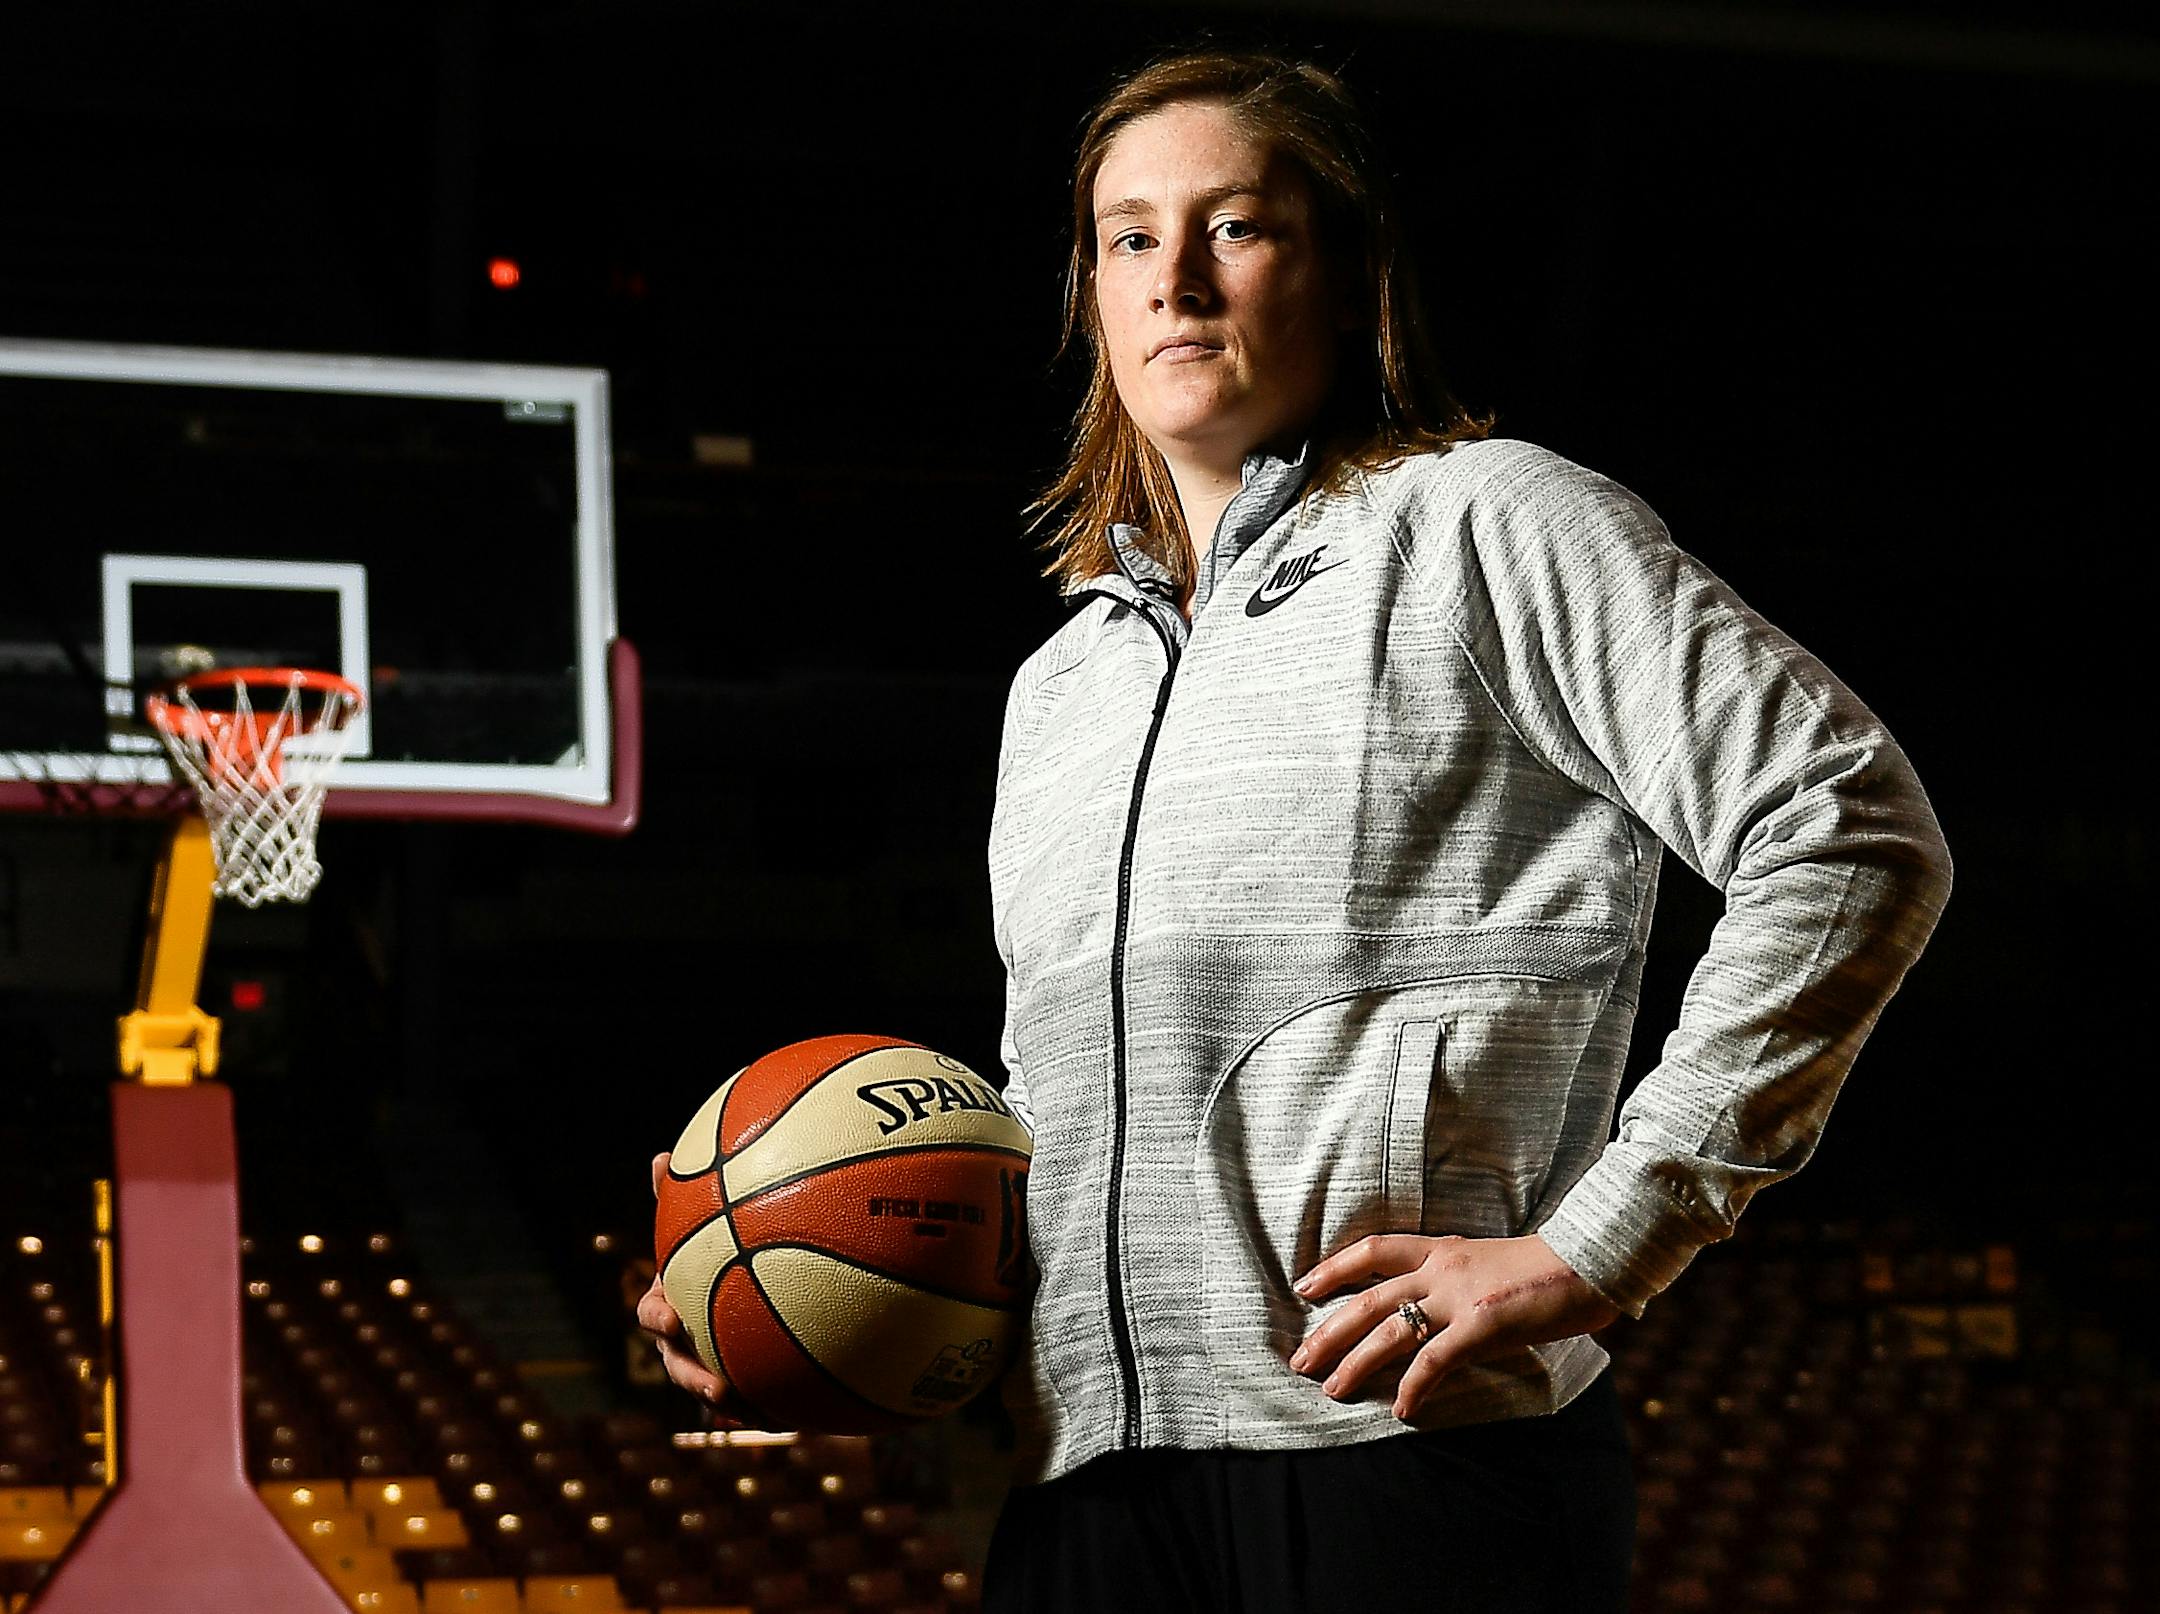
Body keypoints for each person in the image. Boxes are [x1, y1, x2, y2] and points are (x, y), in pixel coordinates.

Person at [642, 49, 1953, 1613]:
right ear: (1091, 299)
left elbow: (1849, 827)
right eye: (1128, 237)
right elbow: (1072, 1127)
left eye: (1236, 226)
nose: (1174, 278)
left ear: (1346, 274)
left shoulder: (1492, 522)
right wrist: (782, 1277)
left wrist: (1604, 1243)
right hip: (1087, 1489)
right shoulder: (1061, 685)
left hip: (1407, 1458)